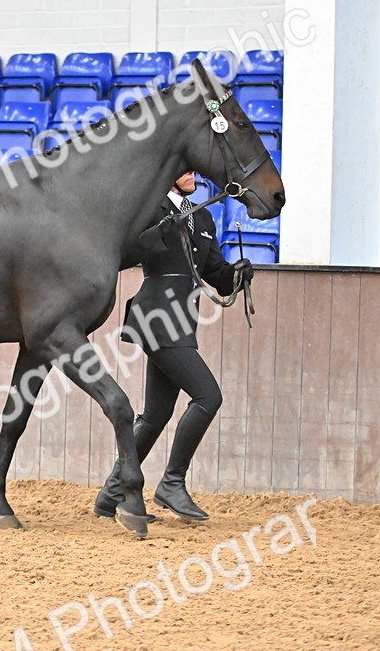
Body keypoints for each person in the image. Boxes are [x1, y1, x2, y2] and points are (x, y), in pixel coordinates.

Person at [94, 171, 253, 522]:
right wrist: (159, 230)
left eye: (195, 170)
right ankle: (172, 483)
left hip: (182, 323)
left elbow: (216, 275)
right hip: (157, 320)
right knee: (208, 396)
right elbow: (127, 253)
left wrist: (238, 276)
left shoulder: (204, 216)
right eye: (185, 169)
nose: (192, 175)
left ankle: (111, 495)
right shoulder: (151, 208)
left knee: (155, 415)